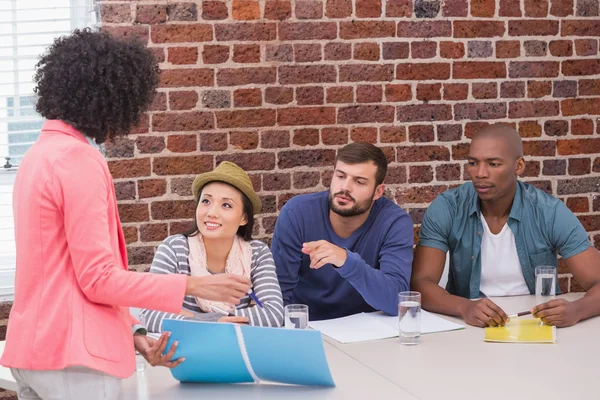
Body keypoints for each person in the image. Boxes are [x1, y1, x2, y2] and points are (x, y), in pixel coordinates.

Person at [1, 29, 250, 400]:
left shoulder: (37, 156)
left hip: (35, 354)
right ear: (115, 98)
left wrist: (134, 334)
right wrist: (192, 285)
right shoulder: (79, 160)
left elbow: (63, 278)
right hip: (77, 365)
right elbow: (98, 279)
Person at [412, 123, 600, 328]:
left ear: (518, 166)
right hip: (471, 327)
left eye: (493, 164)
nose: (480, 173)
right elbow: (421, 283)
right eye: (473, 163)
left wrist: (577, 310)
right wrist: (464, 307)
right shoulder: (448, 207)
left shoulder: (548, 212)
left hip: (536, 324)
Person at [272, 142, 414, 321]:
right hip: (309, 328)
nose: (345, 187)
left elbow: (397, 301)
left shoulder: (394, 222)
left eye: (359, 181)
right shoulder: (297, 213)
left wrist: (346, 261)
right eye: (340, 176)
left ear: (378, 192)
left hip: (368, 331)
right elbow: (276, 297)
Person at [141, 161, 284, 330]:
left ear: (244, 218)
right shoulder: (174, 249)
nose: (211, 213)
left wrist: (195, 318)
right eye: (206, 201)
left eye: (226, 205)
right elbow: (150, 315)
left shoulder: (257, 253)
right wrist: (211, 321)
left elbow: (274, 314)